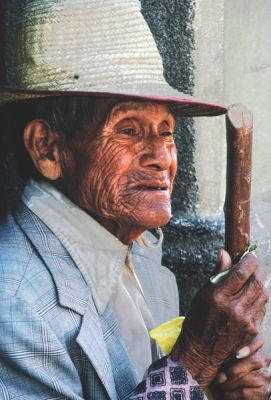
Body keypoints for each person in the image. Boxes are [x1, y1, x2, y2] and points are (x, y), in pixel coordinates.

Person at [0, 1, 270, 399]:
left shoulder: (139, 250)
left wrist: (213, 390)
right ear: (48, 149)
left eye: (167, 132)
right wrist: (193, 361)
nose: (162, 158)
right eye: (128, 130)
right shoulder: (16, 305)